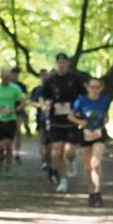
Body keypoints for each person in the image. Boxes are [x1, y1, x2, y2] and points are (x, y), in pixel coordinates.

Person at [40, 53, 87, 193]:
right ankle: (63, 180)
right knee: (57, 151)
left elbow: (83, 96)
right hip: (55, 120)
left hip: (71, 119)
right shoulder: (51, 80)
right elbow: (45, 97)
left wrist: (79, 109)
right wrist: (47, 104)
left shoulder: (75, 79)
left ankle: (72, 161)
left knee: (70, 152)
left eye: (64, 62)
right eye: (59, 62)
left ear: (68, 64)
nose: (62, 64)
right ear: (56, 64)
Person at [67, 77, 111, 206]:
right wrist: (80, 122)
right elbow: (70, 116)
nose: (95, 90)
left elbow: (106, 115)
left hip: (99, 135)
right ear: (88, 87)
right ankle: (91, 191)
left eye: (97, 87)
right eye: (92, 87)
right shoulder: (81, 101)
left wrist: (105, 120)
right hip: (85, 135)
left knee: (95, 163)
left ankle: (98, 192)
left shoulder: (104, 100)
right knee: (87, 168)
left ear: (101, 88)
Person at [0, 68, 26, 177]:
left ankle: (9, 168)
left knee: (8, 146)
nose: (6, 79)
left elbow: (23, 102)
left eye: (8, 77)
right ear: (1, 77)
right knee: (0, 147)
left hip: (11, 120)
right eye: (4, 77)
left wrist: (14, 110)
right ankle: (0, 157)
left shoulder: (15, 89)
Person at [29, 69, 53, 179]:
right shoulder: (37, 90)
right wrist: (40, 106)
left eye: (46, 75)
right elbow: (31, 102)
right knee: (43, 141)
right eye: (42, 75)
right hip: (41, 118)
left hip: (54, 119)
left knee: (52, 143)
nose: (45, 77)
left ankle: (52, 162)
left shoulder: (55, 89)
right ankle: (44, 160)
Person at [10, 66, 29, 163]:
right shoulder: (7, 85)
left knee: (17, 130)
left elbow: (25, 99)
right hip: (7, 111)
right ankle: (8, 150)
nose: (15, 75)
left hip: (18, 111)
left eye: (17, 74)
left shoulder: (22, 86)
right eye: (13, 73)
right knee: (10, 132)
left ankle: (16, 151)